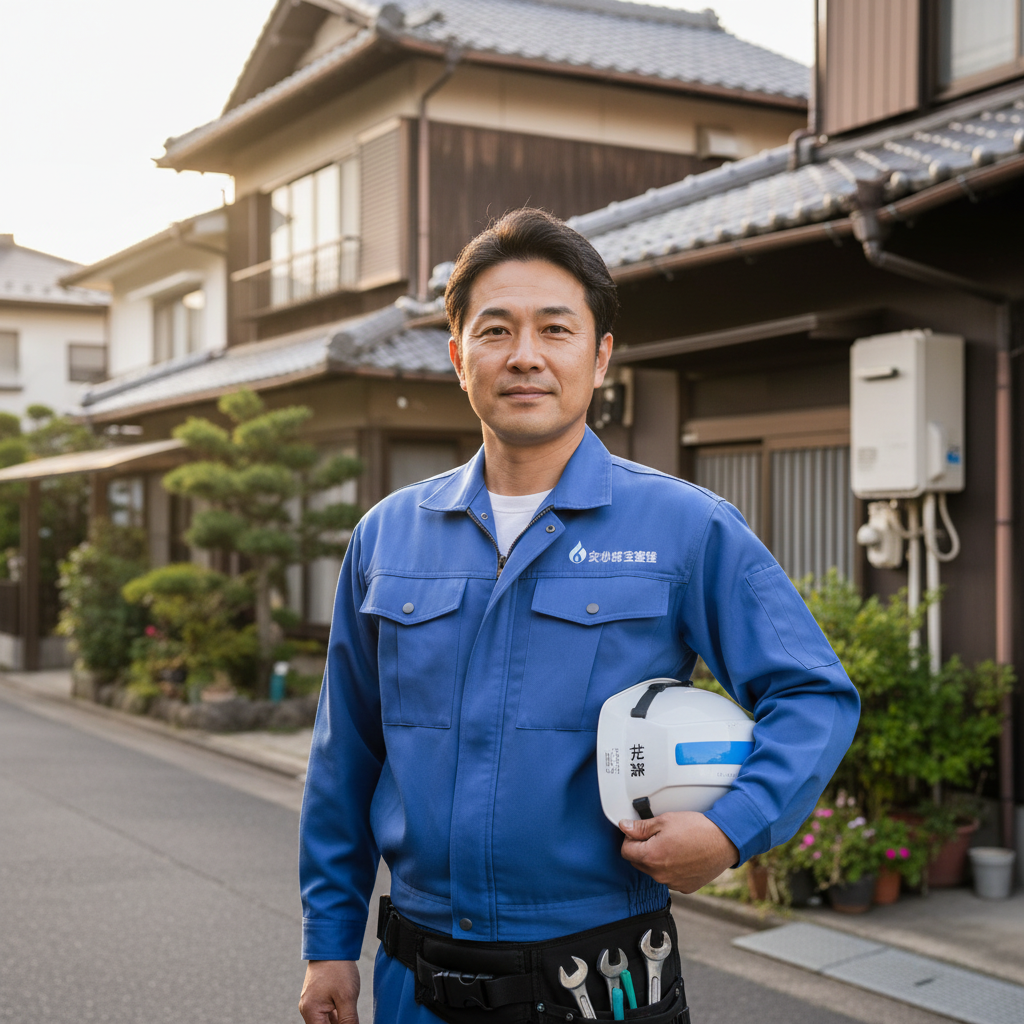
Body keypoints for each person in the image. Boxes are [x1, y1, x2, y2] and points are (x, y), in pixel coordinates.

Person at [298, 209, 860, 1024]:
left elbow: (812, 694)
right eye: (496, 330)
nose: (525, 354)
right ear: (458, 357)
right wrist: (328, 944)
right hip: (414, 981)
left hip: (601, 980)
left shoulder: (684, 528)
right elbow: (343, 756)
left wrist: (733, 829)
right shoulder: (387, 536)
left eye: (554, 329)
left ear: (598, 357)